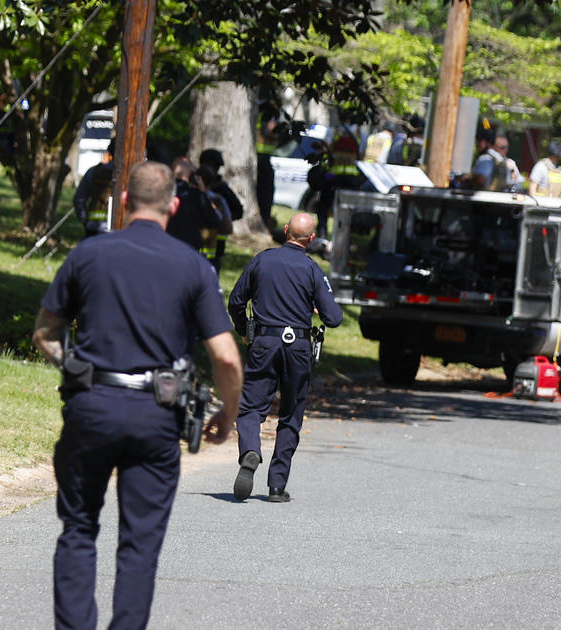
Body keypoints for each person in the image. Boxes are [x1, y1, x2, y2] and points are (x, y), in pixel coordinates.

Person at [31, 161, 243, 630]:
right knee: (140, 543)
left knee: (79, 528)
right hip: (157, 416)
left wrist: (78, 370)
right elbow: (227, 358)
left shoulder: (88, 254)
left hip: (91, 409)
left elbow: (46, 333)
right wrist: (229, 416)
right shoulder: (194, 265)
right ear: (173, 204)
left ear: (124, 201)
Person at [228, 213, 344, 503]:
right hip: (298, 347)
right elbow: (334, 318)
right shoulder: (312, 269)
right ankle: (277, 486)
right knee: (291, 413)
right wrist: (315, 305)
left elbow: (236, 301)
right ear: (312, 239)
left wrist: (245, 331)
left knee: (251, 407)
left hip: (264, 342)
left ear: (284, 231)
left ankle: (251, 450)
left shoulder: (261, 260)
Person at [168, 157, 232, 271]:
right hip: (188, 254)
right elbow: (215, 220)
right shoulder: (197, 196)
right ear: (192, 175)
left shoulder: (161, 192)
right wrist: (203, 193)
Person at [73, 138, 115, 238]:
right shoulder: (133, 175)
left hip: (93, 228)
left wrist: (85, 221)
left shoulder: (93, 171)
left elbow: (78, 200)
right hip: (121, 230)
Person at [255, 101, 281, 232]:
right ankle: (265, 221)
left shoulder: (259, 115)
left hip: (261, 158)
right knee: (266, 194)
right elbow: (269, 132)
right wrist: (277, 134)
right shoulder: (267, 116)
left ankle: (264, 220)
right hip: (262, 158)